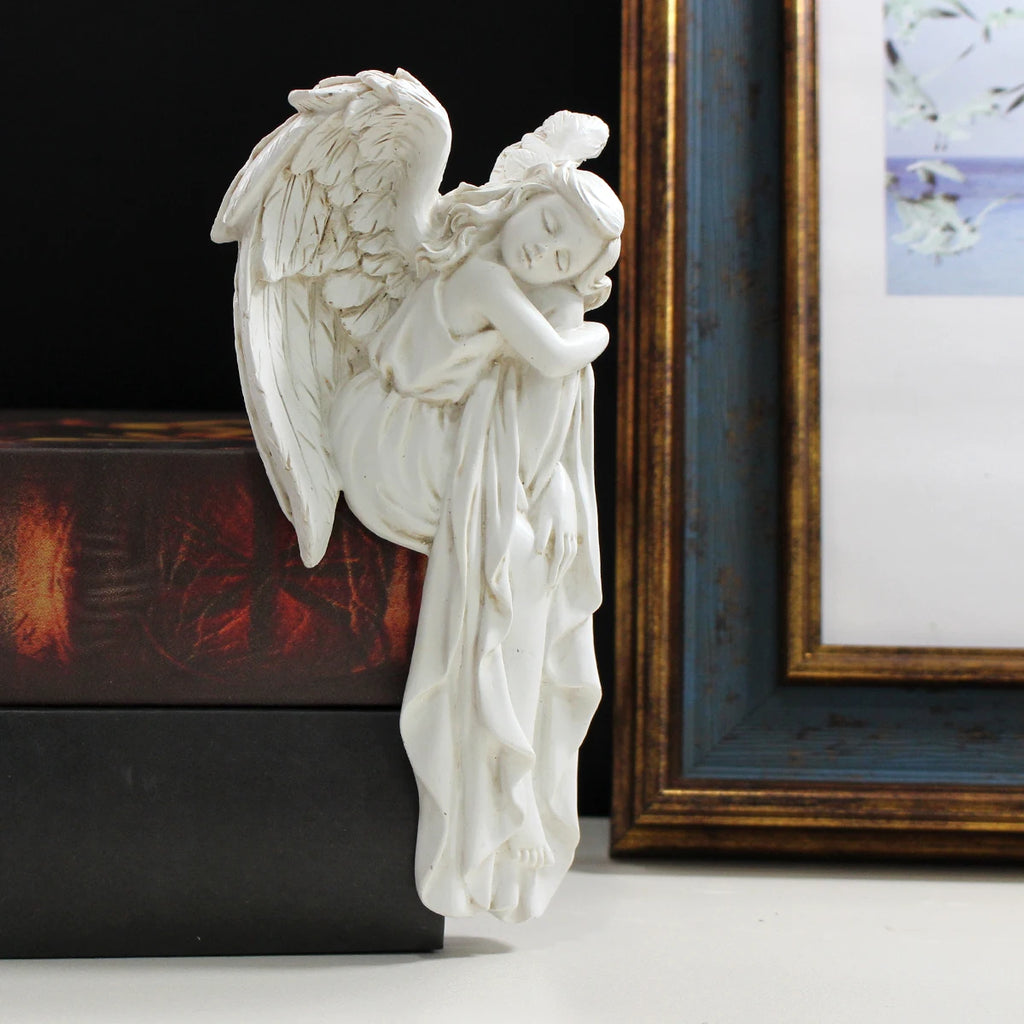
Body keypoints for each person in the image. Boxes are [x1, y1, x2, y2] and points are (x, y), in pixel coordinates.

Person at [329, 163, 623, 920]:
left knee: (527, 553)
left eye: (566, 256)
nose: (544, 252)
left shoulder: (539, 292)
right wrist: (594, 327)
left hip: (460, 437)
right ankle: (505, 790)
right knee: (519, 550)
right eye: (548, 225)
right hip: (394, 438)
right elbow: (554, 358)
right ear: (522, 200)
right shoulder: (482, 275)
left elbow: (547, 353)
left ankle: (505, 783)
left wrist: (568, 313)